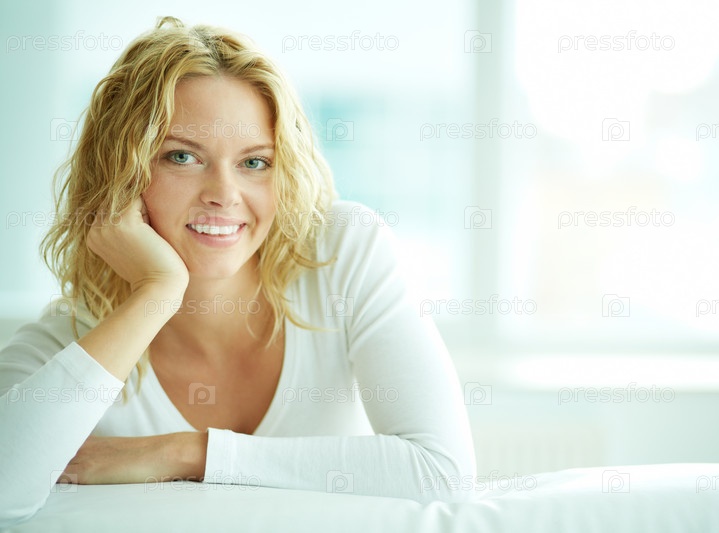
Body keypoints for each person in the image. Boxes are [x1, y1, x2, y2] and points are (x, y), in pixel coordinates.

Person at [0, 16, 476, 526]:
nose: (224, 195)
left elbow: (442, 473)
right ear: (121, 176)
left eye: (254, 163)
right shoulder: (77, 340)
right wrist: (157, 291)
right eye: (182, 156)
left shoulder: (343, 252)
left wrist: (188, 452)